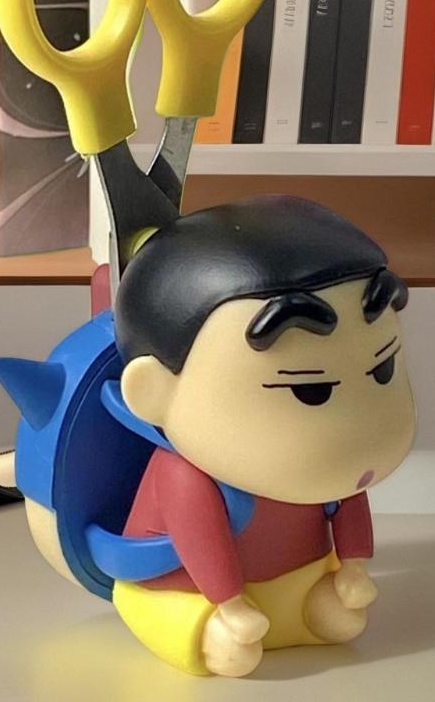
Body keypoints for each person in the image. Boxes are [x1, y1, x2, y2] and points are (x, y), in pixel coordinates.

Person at [111, 194, 417, 676]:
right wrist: (230, 604)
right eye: (310, 390)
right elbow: (202, 542)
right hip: (186, 591)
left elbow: (348, 503)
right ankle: (207, 626)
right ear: (154, 392)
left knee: (342, 620)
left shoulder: (334, 471)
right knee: (233, 651)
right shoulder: (185, 476)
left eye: (383, 369)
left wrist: (353, 567)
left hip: (300, 574)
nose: (359, 425)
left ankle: (302, 610)